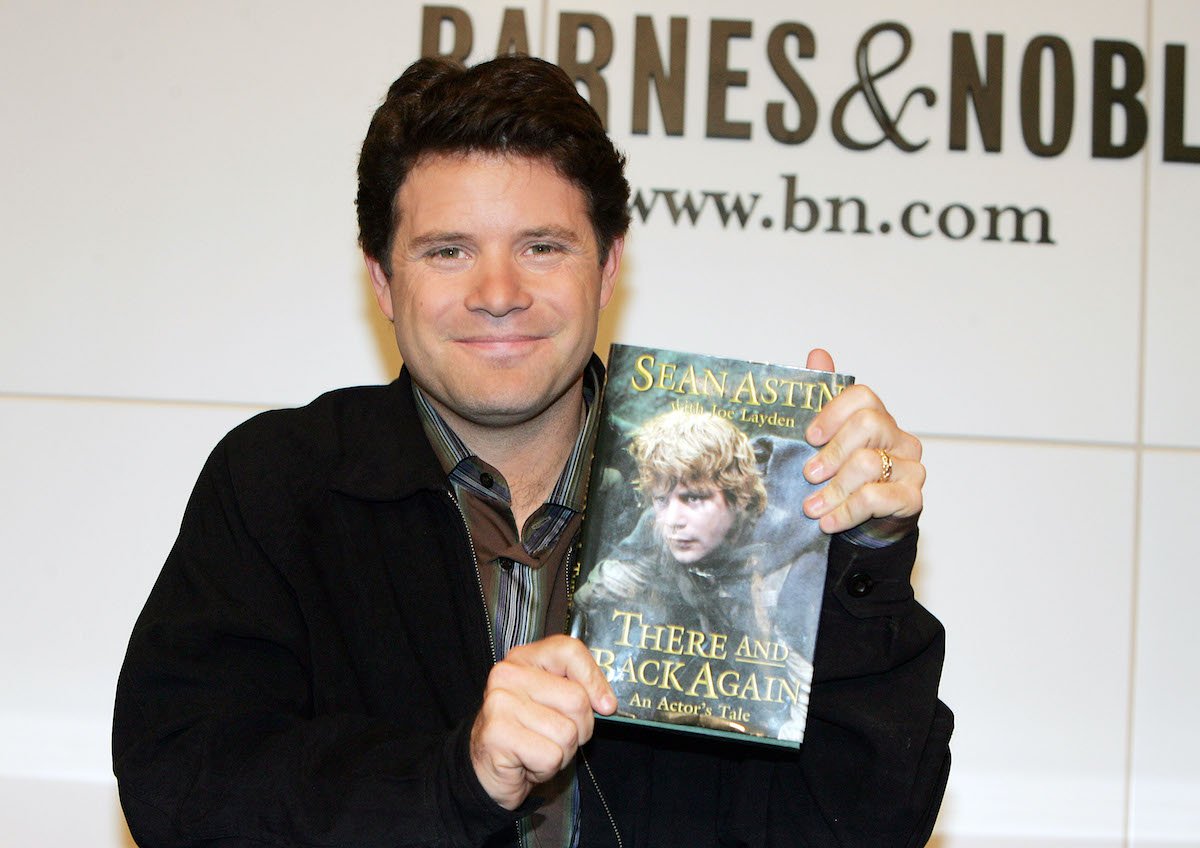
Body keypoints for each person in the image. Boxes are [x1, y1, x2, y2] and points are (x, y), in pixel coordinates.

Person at [113, 54, 951, 848]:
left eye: (541, 247)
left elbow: (866, 821)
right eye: (449, 251)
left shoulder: (741, 491)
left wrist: (862, 558)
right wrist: (459, 776)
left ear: (609, 264)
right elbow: (181, 785)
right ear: (381, 281)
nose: (499, 294)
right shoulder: (279, 482)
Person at [574, 409, 826, 741]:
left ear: (738, 497)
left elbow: (802, 716)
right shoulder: (661, 524)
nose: (673, 520)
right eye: (663, 499)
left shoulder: (799, 567)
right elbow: (601, 588)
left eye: (693, 498)